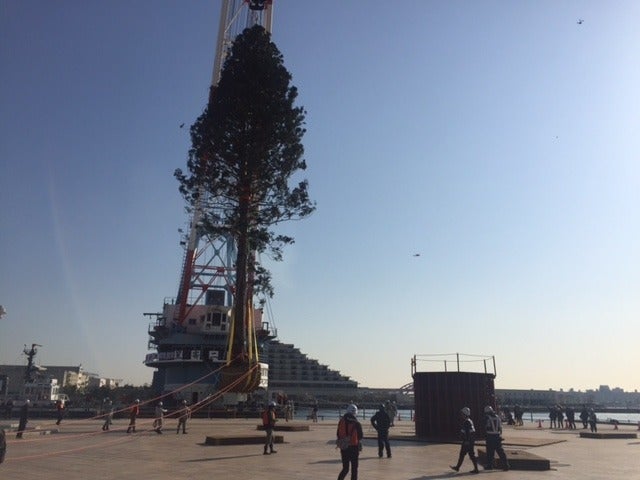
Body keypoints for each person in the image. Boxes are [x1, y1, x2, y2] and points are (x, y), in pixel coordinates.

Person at [336, 404, 363, 480]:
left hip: (344, 447)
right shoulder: (357, 423)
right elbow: (360, 436)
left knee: (345, 468)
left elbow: (338, 434)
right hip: (354, 447)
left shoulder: (341, 421)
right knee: (354, 469)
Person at [450, 407, 479, 474]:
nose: (461, 415)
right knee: (466, 454)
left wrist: (466, 441)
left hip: (467, 441)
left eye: (462, 414)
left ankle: (475, 469)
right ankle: (458, 467)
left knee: (467, 454)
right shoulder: (469, 421)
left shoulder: (467, 422)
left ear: (465, 414)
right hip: (469, 440)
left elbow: (468, 432)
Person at [483, 406, 509, 471]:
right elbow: (500, 428)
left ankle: (490, 465)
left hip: (490, 436)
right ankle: (506, 465)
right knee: (501, 452)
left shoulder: (487, 418)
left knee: (490, 452)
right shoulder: (498, 417)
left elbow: (485, 426)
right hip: (497, 436)